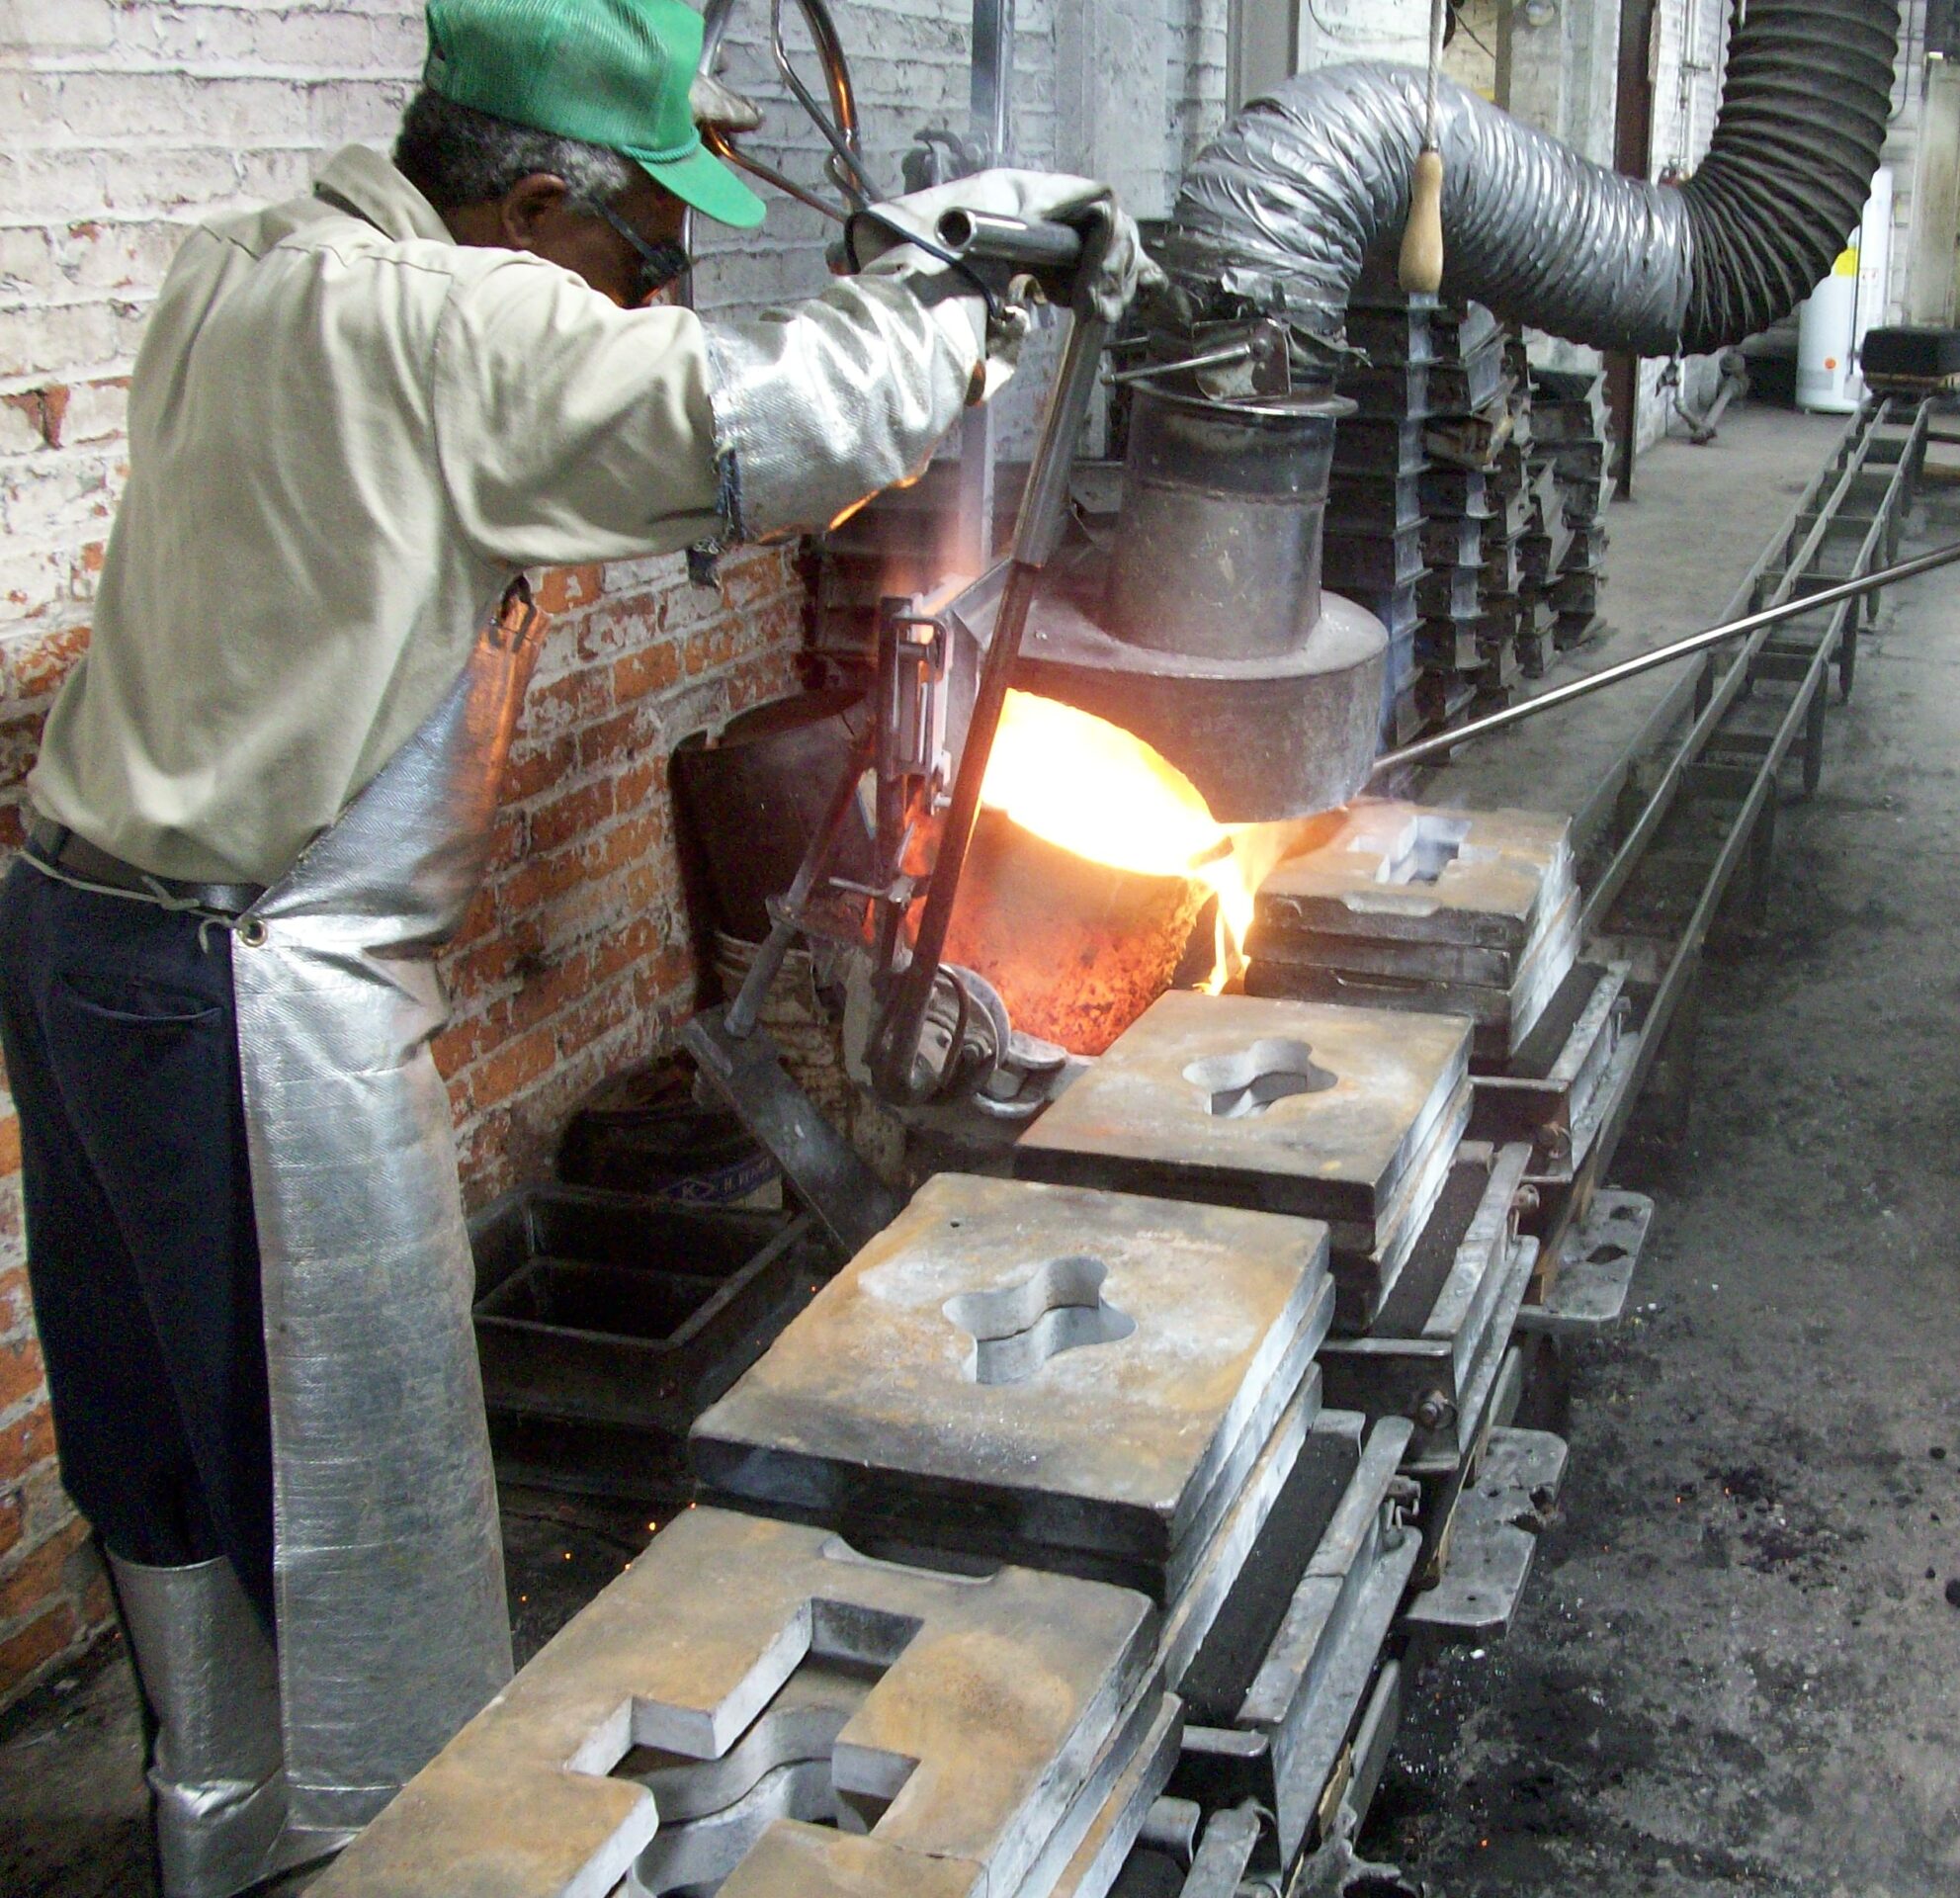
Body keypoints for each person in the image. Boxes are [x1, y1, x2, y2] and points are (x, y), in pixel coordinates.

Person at [0, 1, 1152, 1890]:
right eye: (645, 257)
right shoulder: (452, 324)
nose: (651, 296)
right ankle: (393, 1850)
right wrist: (968, 281)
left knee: (168, 1452)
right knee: (339, 1492)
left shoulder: (255, 263)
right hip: (240, 987)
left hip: (74, 938)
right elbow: (780, 424)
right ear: (534, 204)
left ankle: (217, 1822)